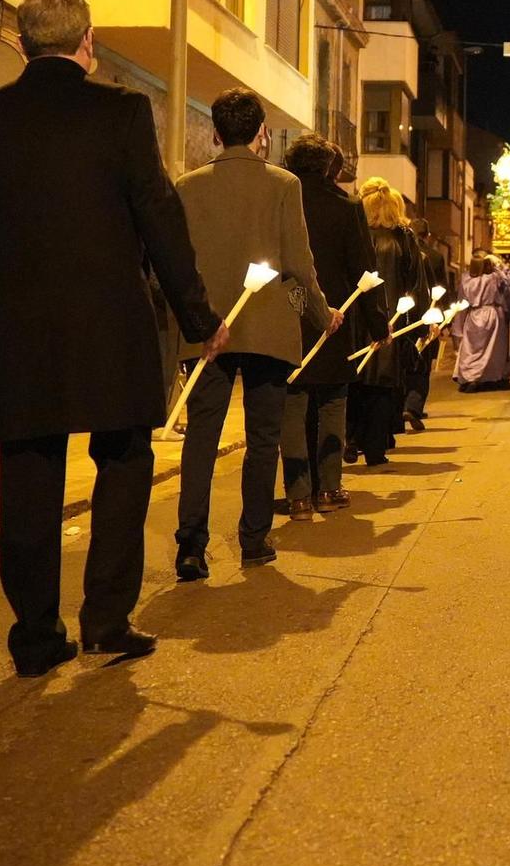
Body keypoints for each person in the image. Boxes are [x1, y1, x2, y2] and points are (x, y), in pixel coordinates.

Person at [0, 0, 225, 677]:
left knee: (29, 476)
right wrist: (199, 318)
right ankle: (105, 616)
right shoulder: (123, 112)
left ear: (20, 44)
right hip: (112, 327)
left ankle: (36, 633)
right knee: (125, 464)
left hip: (23, 333)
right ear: (87, 42)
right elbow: (160, 217)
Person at [173, 90, 337, 574]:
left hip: (206, 329)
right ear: (262, 132)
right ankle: (253, 538)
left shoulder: (187, 186)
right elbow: (299, 264)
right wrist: (322, 316)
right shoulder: (284, 185)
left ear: (216, 132)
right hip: (268, 326)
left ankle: (191, 545)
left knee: (201, 436)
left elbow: (178, 264)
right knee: (263, 436)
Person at [281, 135, 383, 515]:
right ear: (329, 168)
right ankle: (329, 487)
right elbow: (364, 269)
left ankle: (298, 494)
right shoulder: (347, 206)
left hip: (288, 313)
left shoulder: (281, 196)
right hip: (335, 316)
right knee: (331, 402)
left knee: (293, 403)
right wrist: (377, 321)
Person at [351, 178, 422, 466]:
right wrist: (414, 320)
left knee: (355, 379)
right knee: (382, 385)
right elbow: (416, 283)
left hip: (356, 317)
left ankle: (351, 438)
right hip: (391, 316)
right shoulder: (403, 238)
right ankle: (375, 447)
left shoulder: (356, 235)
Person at [403, 218, 449, 431]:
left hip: (402, 314)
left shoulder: (401, 250)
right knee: (422, 364)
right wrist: (443, 319)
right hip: (426, 313)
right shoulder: (435, 257)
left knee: (404, 362)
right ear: (427, 235)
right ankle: (413, 406)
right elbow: (440, 288)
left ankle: (401, 406)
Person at [454, 251, 510, 390]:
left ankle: (470, 377)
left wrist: (458, 327)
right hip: (492, 314)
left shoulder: (465, 279)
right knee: (492, 350)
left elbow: (461, 302)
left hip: (474, 315)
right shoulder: (493, 278)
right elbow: (507, 286)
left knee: (471, 348)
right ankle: (489, 376)